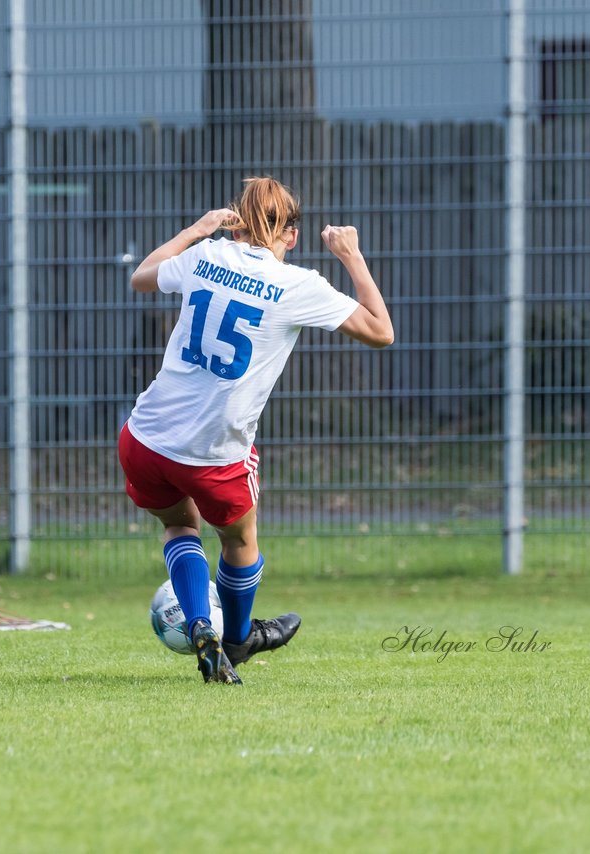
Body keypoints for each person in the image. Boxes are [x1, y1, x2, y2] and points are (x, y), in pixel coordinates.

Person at [120, 176, 394, 684]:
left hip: (145, 437)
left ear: (237, 221)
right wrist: (351, 255)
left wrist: (197, 230)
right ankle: (239, 638)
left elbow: (141, 276)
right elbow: (382, 331)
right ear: (292, 235)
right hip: (213, 455)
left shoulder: (208, 257)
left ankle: (201, 623)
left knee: (180, 527)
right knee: (239, 541)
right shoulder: (297, 285)